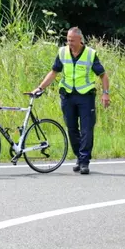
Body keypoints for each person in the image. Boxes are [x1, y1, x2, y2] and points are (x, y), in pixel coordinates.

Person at [31, 27, 110, 174]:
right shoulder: (63, 52)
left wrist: (105, 94)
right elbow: (54, 72)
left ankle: (84, 161)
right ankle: (79, 157)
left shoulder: (90, 54)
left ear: (80, 40)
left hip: (85, 96)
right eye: (68, 40)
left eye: (72, 40)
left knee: (87, 129)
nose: (70, 43)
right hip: (67, 96)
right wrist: (40, 88)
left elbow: (103, 75)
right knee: (72, 129)